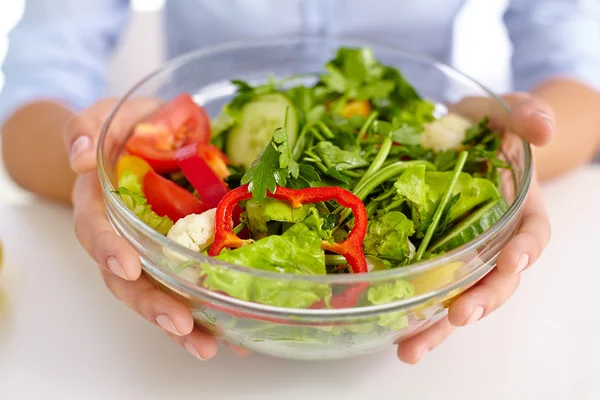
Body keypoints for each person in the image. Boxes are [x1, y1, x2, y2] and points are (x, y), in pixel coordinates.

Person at [1, 0, 599, 364]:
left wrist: (512, 148)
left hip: (406, 125)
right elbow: (29, 102)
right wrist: (102, 167)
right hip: (203, 153)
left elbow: (578, 76)